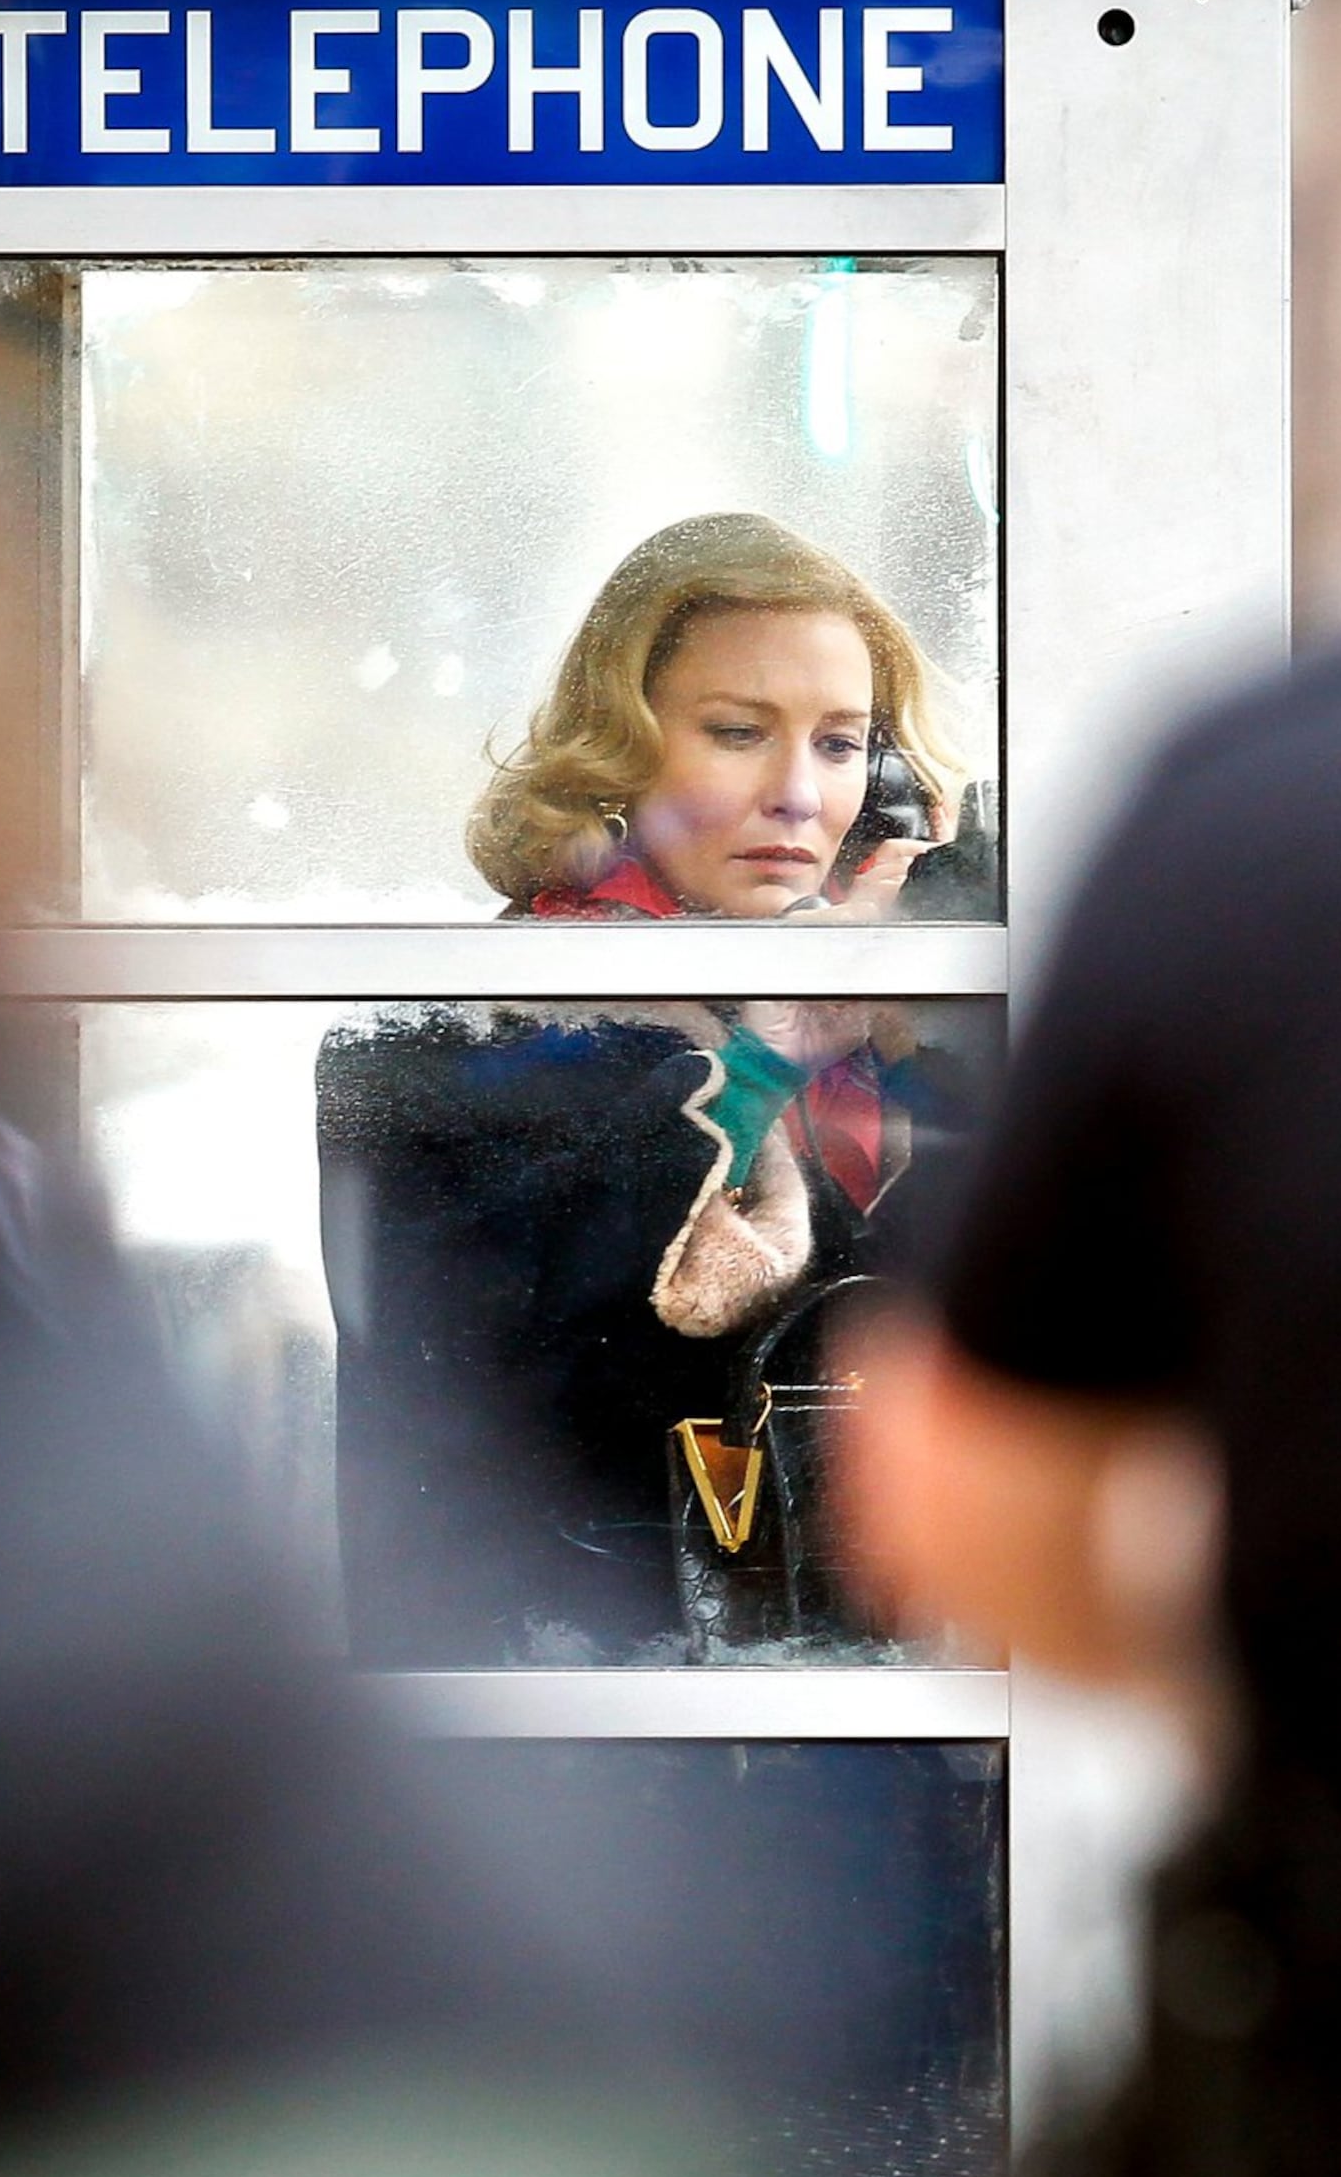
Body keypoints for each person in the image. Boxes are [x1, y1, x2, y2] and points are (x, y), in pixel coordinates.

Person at [838, 619, 1341, 2177]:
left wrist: (1274, 1692)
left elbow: (953, 1488)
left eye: (853, 746)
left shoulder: (1301, 801)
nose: (813, 798)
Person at [318, 512, 987, 1665]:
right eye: (736, 732)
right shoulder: (475, 1024)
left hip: (885, 1734)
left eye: (841, 745)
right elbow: (562, 1347)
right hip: (592, 1713)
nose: (795, 793)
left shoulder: (894, 1029)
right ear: (619, 754)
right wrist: (777, 1051)